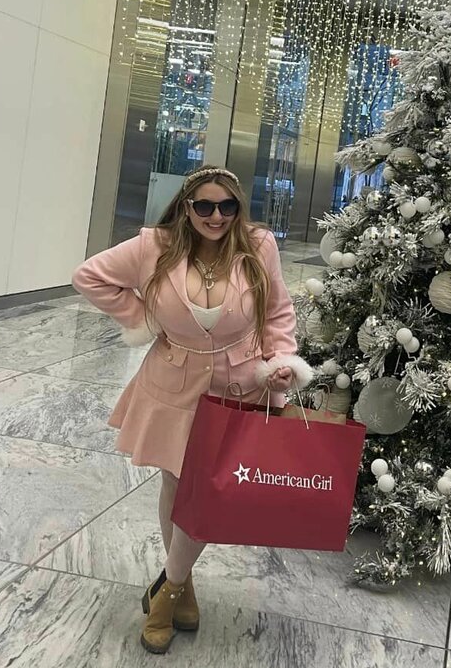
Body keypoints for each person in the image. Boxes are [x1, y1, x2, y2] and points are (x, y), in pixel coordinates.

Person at [72, 166, 313, 655]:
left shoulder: (259, 245)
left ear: (238, 207)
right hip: (171, 386)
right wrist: (144, 318)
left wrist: (281, 361)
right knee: (177, 484)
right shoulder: (153, 246)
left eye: (227, 206)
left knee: (208, 492)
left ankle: (168, 588)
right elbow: (89, 277)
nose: (216, 216)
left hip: (238, 386)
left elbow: (277, 311)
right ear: (186, 207)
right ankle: (180, 588)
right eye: (204, 205)